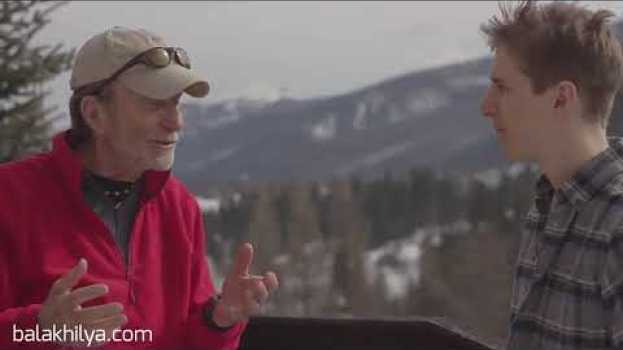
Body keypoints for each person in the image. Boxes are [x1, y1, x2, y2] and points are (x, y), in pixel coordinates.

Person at [0, 26, 278, 349]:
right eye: (154, 104)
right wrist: (40, 329)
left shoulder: (179, 207)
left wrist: (218, 321)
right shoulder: (11, 198)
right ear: (94, 113)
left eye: (176, 103)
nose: (176, 121)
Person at [480, 1, 623, 349]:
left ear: (561, 98)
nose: (486, 106)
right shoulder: (547, 207)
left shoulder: (617, 230)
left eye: (503, 87)